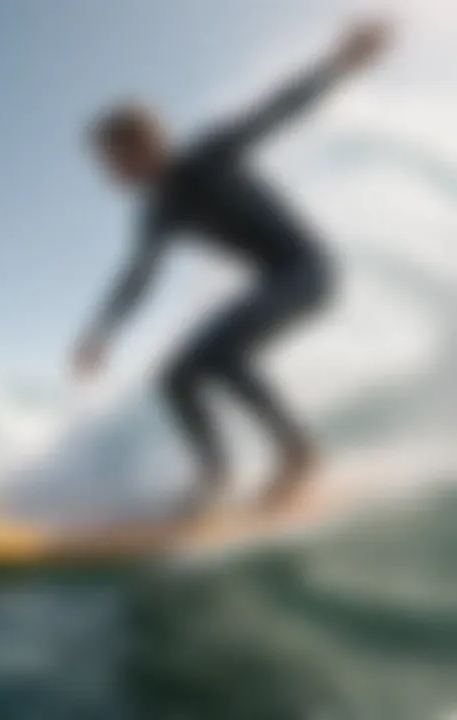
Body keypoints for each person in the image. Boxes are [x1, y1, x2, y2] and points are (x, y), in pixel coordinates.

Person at [72, 19, 392, 515]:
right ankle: (215, 477)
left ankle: (298, 453)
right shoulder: (158, 211)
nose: (110, 176)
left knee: (221, 353)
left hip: (308, 269)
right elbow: (137, 277)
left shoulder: (207, 154)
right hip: (276, 280)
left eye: (113, 162)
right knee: (174, 377)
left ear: (145, 143)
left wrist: (338, 66)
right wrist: (102, 332)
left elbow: (274, 112)